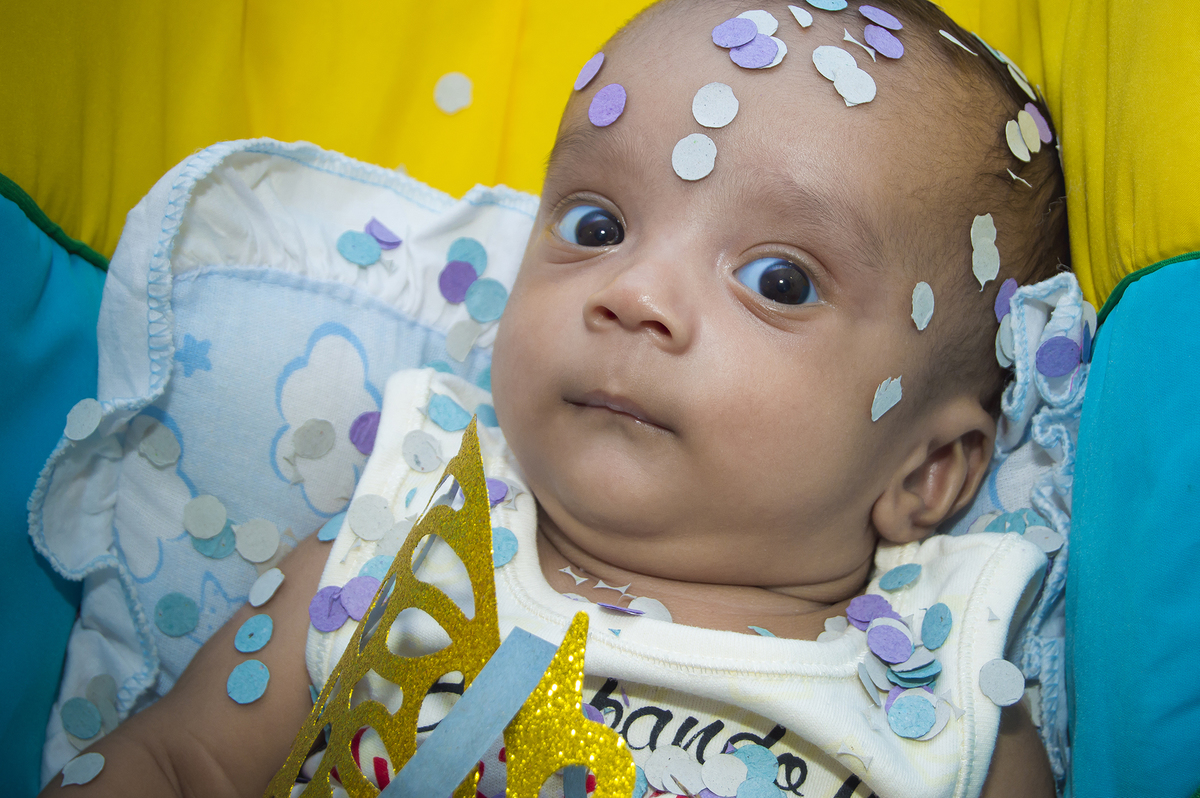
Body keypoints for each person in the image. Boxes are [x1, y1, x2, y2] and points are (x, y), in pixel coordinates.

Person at [40, 0, 1067, 795]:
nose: (634, 293)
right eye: (595, 225)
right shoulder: (403, 532)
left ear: (928, 471)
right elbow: (179, 765)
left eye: (780, 281)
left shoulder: (954, 695)